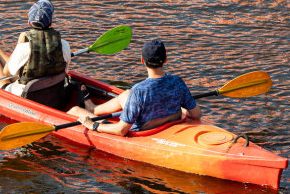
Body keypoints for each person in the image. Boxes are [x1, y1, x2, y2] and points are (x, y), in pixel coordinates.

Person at [67, 38, 201, 135]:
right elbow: (196, 114)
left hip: (140, 131)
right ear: (165, 60)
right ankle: (93, 109)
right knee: (126, 94)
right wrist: (175, 108)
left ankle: (91, 113)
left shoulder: (140, 91)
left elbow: (121, 130)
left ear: (142, 60)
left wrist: (93, 125)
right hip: (167, 122)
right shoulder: (178, 82)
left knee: (74, 110)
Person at [0, 0, 72, 108]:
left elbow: (6, 73)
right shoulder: (64, 45)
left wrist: (19, 43)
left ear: (29, 22)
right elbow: (64, 70)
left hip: (25, 95)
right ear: (51, 22)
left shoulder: (24, 48)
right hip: (50, 90)